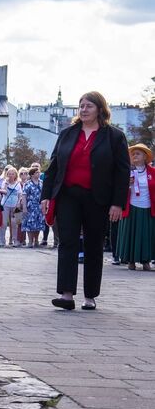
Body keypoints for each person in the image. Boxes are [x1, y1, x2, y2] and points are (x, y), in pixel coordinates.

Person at [42, 91, 130, 311]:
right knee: (68, 242)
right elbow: (53, 167)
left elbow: (122, 172)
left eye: (88, 106)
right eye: (80, 106)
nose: (83, 110)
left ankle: (90, 296)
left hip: (97, 198)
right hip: (68, 195)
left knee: (93, 245)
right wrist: (46, 195)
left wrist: (118, 203)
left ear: (100, 109)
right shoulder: (67, 134)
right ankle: (66, 294)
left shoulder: (114, 136)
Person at [117, 144, 154, 270]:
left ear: (145, 157)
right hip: (131, 206)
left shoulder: (152, 172)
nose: (134, 156)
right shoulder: (126, 172)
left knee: (146, 234)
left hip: (148, 207)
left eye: (138, 153)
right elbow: (116, 187)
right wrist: (125, 183)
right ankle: (130, 260)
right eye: (133, 154)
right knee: (130, 233)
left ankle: (146, 260)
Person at [21, 167, 45, 248]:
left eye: (39, 172)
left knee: (38, 223)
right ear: (32, 174)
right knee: (30, 224)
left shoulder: (41, 183)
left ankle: (36, 240)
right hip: (30, 206)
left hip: (39, 206)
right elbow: (24, 195)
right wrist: (24, 207)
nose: (39, 174)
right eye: (37, 172)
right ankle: (30, 241)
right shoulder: (28, 184)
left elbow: (44, 194)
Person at [0, 166, 22, 246]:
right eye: (9, 174)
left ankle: (15, 240)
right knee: (4, 223)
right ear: (7, 175)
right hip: (5, 205)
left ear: (15, 175)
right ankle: (2, 241)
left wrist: (18, 203)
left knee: (15, 223)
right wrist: (6, 184)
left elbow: (20, 195)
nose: (11, 175)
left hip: (16, 205)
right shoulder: (4, 182)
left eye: (13, 174)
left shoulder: (18, 184)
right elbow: (4, 192)